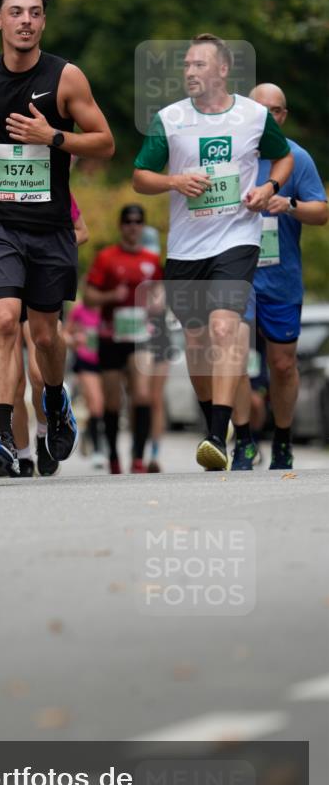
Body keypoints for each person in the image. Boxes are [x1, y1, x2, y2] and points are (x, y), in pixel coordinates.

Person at [0, 0, 115, 476]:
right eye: (16, 12)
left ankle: (54, 398)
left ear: (44, 22)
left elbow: (105, 143)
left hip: (49, 227)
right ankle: (4, 436)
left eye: (35, 13)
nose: (26, 21)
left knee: (45, 336)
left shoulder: (65, 77)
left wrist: (53, 138)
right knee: (4, 322)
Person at [133, 33, 293, 471]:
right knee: (197, 341)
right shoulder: (170, 119)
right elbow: (140, 176)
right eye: (186, 65)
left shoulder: (254, 116)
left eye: (199, 64)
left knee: (225, 328)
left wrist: (269, 187)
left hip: (237, 238)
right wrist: (174, 181)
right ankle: (212, 421)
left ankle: (218, 435)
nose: (190, 72)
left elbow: (283, 158)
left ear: (223, 69)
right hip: (186, 248)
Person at [0, 179, 89, 476]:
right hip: (1, 277)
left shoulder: (46, 176)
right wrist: (0, 253)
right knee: (14, 383)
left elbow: (81, 232)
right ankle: (18, 453)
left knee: (39, 371)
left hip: (41, 273)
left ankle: (45, 430)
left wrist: (42, 252)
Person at [230, 83, 328, 470]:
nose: (268, 116)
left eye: (275, 110)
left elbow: (321, 212)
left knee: (283, 364)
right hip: (236, 272)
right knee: (234, 355)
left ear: (283, 116)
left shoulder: (297, 158)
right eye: (260, 109)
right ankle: (243, 441)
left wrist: (288, 204)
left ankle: (283, 440)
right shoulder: (231, 152)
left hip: (280, 277)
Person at [85, 205, 163, 474]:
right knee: (112, 401)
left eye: (138, 221)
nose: (133, 226)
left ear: (143, 226)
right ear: (121, 226)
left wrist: (157, 302)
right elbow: (88, 297)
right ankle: (114, 456)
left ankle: (138, 457)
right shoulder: (106, 258)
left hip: (140, 337)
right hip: (111, 337)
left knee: (142, 394)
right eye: (128, 221)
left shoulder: (151, 260)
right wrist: (110, 296)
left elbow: (160, 293)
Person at [64, 299, 104, 467]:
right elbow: (64, 334)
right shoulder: (79, 308)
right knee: (96, 404)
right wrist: (75, 340)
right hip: (86, 361)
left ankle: (89, 433)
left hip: (109, 360)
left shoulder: (112, 305)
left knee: (107, 406)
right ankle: (98, 451)